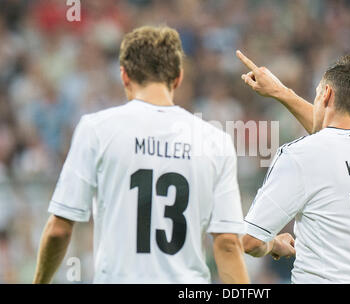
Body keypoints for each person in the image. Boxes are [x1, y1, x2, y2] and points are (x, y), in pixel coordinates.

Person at [32, 26, 250, 284]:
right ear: (178, 78)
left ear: (124, 76)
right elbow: (227, 243)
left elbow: (59, 230)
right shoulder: (215, 141)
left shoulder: (97, 129)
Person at [237, 50, 350, 283]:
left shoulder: (299, 156)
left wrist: (274, 243)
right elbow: (333, 136)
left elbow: (249, 240)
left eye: (317, 93)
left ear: (326, 93)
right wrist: (281, 92)